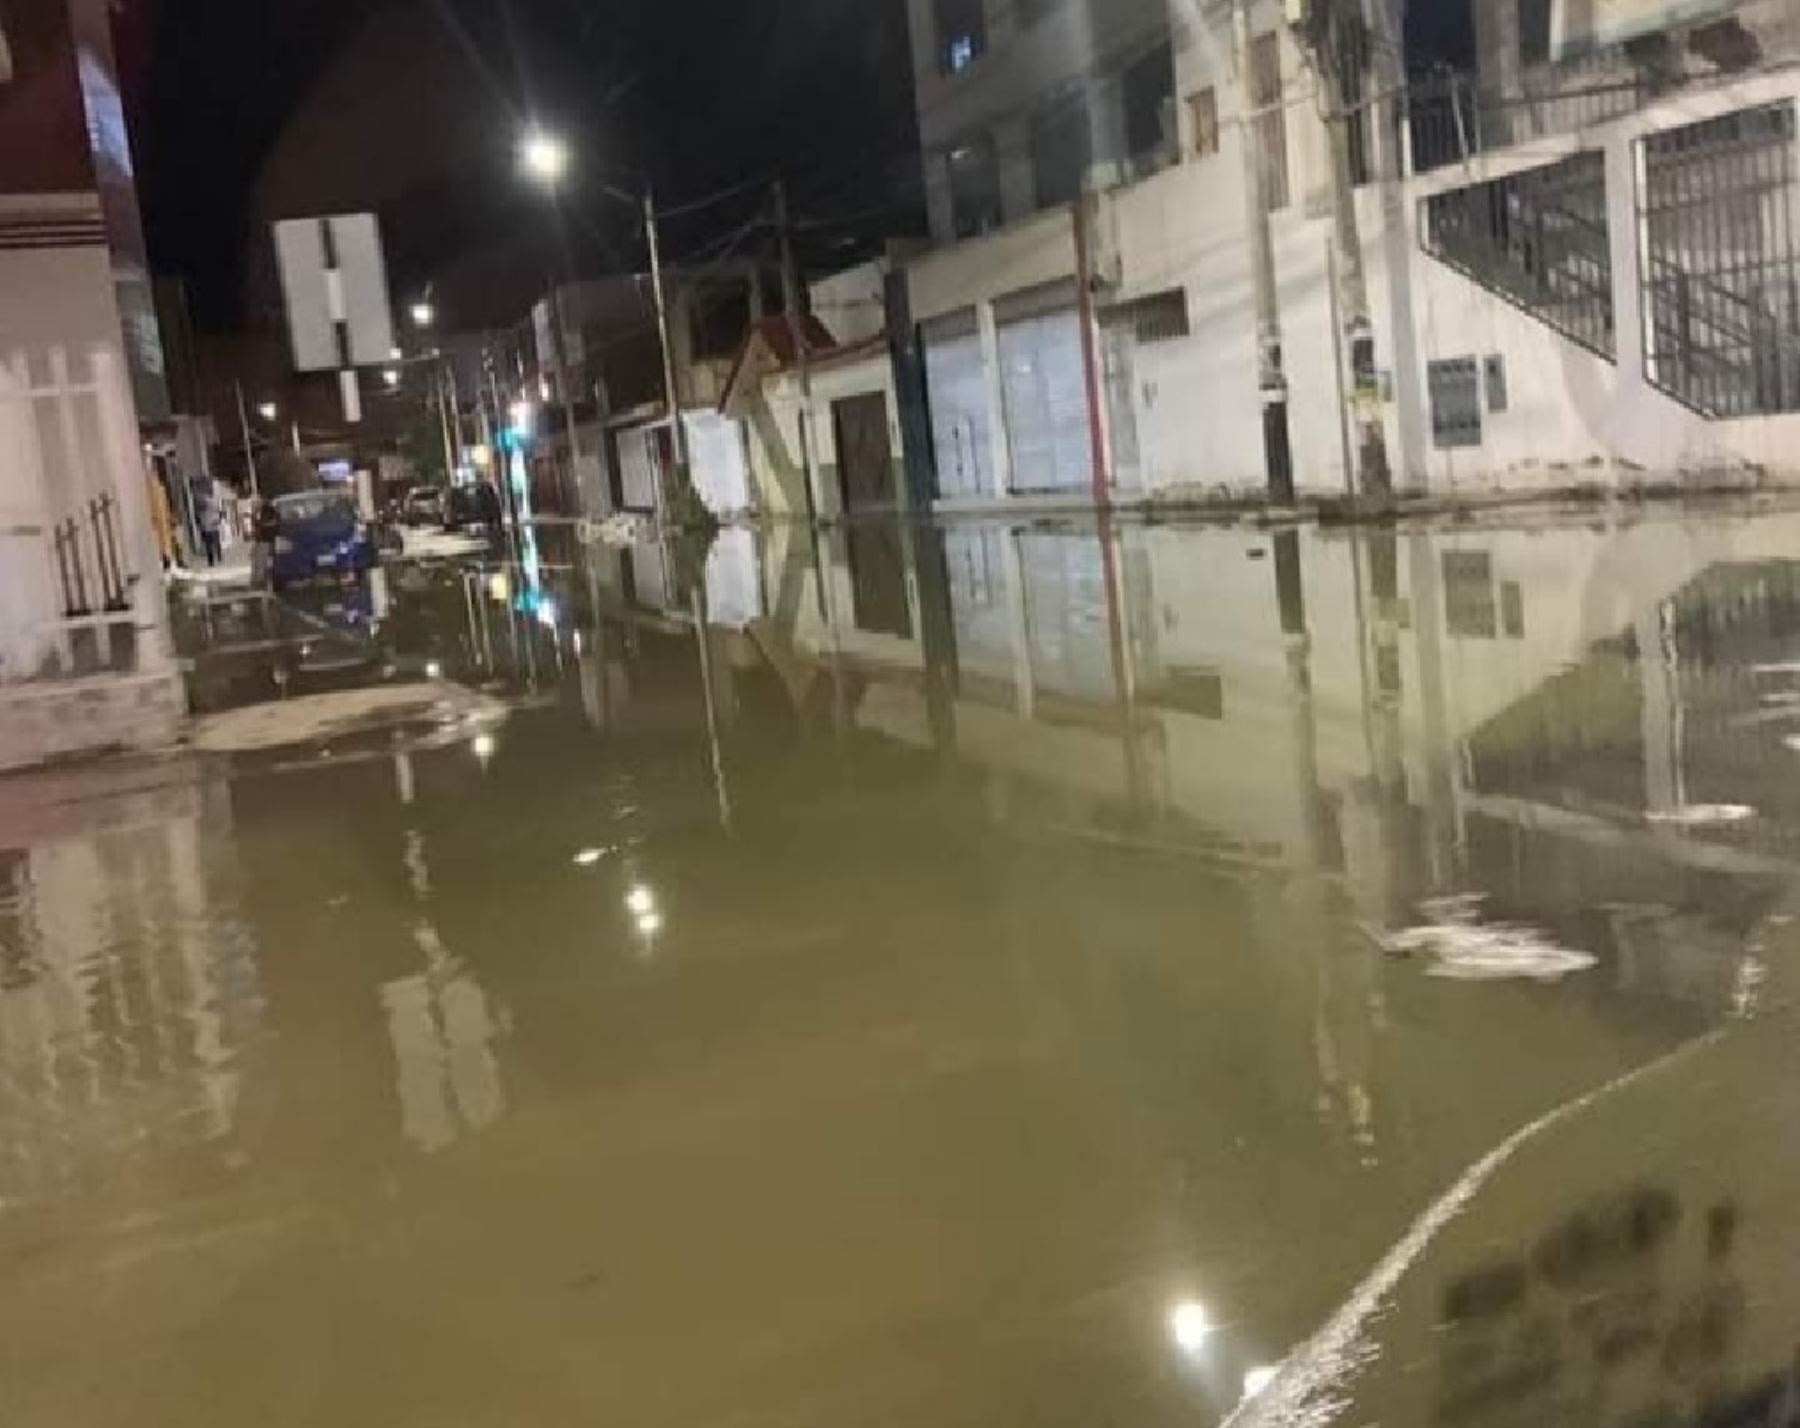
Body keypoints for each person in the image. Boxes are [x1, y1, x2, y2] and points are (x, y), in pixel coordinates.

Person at [198, 500, 223, 566]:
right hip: (210, 529)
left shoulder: (205, 511)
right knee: (211, 545)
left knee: (212, 544)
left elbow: (219, 516)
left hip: (211, 529)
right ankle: (213, 559)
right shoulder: (205, 511)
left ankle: (214, 559)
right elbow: (201, 521)